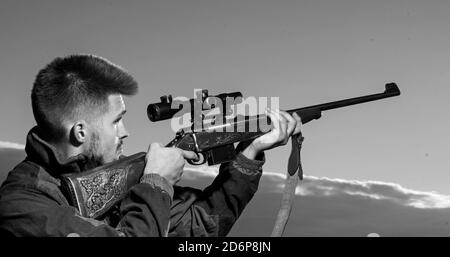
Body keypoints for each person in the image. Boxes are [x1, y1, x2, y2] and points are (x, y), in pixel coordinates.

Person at [0, 55, 302, 237]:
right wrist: (156, 184)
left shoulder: (118, 178)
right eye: (117, 121)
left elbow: (201, 228)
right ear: (80, 132)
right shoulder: (21, 206)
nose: (126, 132)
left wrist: (249, 154)